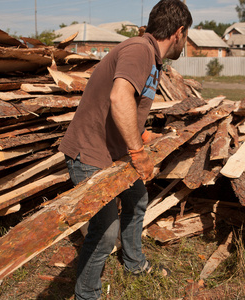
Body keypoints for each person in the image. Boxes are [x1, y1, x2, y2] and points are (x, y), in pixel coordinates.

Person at [58, 1, 192, 299]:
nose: (185, 44)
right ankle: (87, 294)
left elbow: (122, 106)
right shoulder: (139, 50)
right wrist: (139, 153)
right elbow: (120, 98)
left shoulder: (149, 56)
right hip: (89, 156)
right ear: (179, 32)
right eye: (187, 37)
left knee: (137, 199)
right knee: (104, 232)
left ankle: (133, 263)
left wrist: (142, 134)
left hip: (112, 153)